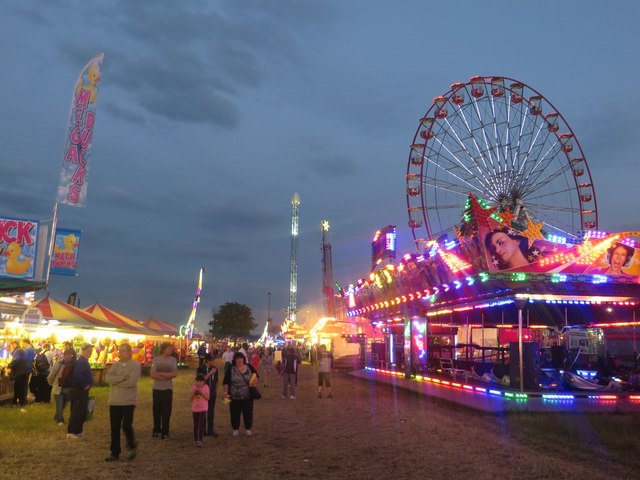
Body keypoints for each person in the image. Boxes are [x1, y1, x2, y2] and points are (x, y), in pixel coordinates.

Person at [103, 342, 141, 461]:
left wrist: (117, 382)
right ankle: (114, 452)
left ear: (129, 352)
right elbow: (108, 379)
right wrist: (122, 378)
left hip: (128, 401)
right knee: (114, 428)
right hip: (115, 401)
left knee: (126, 425)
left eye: (123, 350)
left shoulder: (135, 365)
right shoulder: (115, 365)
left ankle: (131, 446)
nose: (120, 352)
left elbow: (131, 382)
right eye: (120, 350)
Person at [223, 352, 258, 436]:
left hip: (248, 396)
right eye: (237, 358)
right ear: (234, 360)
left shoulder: (249, 367)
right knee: (235, 413)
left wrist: (254, 383)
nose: (239, 360)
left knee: (248, 413)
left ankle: (248, 428)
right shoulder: (231, 369)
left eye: (241, 358)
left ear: (243, 359)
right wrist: (226, 394)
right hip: (234, 396)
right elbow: (226, 382)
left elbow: (256, 376)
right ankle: (235, 429)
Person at [150, 342, 178, 439]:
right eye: (169, 349)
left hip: (167, 389)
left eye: (171, 349)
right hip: (157, 389)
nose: (170, 350)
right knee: (156, 410)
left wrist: (160, 374)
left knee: (167, 411)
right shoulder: (156, 359)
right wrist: (166, 376)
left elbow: (174, 374)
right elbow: (152, 374)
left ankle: (165, 431)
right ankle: (156, 429)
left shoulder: (173, 360)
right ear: (163, 349)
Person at [67, 343, 94, 439]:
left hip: (80, 390)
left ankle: (78, 431)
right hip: (79, 391)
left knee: (81, 411)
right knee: (77, 411)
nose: (91, 353)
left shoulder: (83, 361)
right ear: (86, 351)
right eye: (90, 351)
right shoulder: (82, 362)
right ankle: (72, 432)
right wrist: (85, 384)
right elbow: (77, 375)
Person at [48, 347, 75, 425]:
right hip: (58, 387)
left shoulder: (73, 365)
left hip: (67, 388)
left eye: (71, 355)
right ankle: (60, 420)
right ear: (64, 355)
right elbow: (52, 375)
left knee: (64, 404)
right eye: (68, 355)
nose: (69, 357)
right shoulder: (59, 363)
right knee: (59, 404)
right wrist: (52, 384)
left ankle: (57, 416)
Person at [197, 353, 219, 436]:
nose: (214, 362)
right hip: (203, 393)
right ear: (207, 360)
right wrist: (210, 373)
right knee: (203, 411)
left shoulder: (215, 369)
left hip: (212, 393)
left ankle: (210, 429)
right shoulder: (201, 368)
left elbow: (216, 380)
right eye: (212, 360)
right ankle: (202, 430)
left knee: (211, 411)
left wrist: (215, 391)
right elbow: (201, 380)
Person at [8, 341, 29, 406]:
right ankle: (20, 402)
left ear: (15, 344)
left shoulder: (17, 350)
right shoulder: (20, 350)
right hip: (24, 371)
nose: (11, 347)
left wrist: (9, 365)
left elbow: (16, 360)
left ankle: (20, 402)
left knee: (18, 387)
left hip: (21, 372)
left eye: (12, 345)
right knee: (22, 387)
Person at [191, 373, 210, 447]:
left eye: (200, 381)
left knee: (201, 425)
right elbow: (191, 398)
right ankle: (195, 439)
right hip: (195, 409)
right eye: (197, 381)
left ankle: (200, 440)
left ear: (203, 382)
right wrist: (194, 392)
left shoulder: (206, 387)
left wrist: (201, 392)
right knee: (195, 425)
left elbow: (208, 398)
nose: (198, 383)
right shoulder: (193, 387)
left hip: (203, 409)